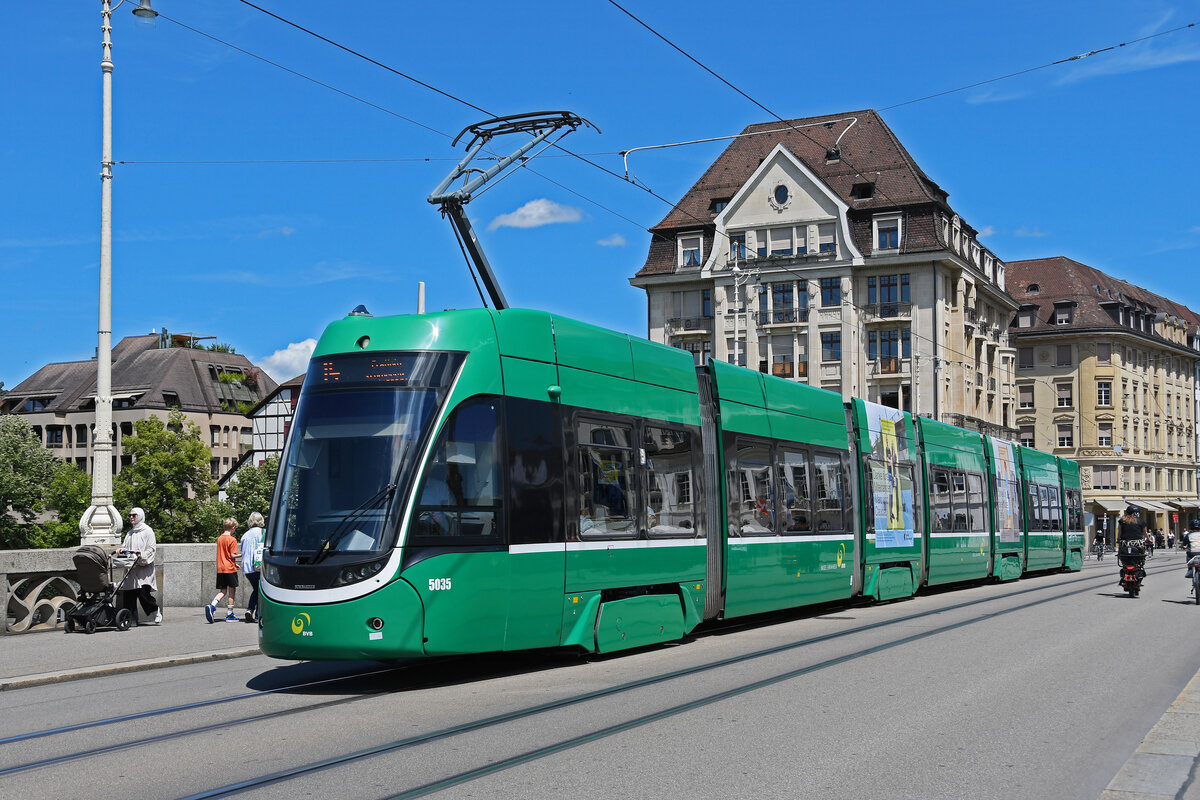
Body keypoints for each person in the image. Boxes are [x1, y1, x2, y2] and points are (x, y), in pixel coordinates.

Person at [117, 507, 161, 625]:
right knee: (129, 596)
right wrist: (122, 550)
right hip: (131, 569)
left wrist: (141, 554)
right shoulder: (130, 533)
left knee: (143, 595)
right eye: (130, 515)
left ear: (140, 516)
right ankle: (129, 620)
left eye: (134, 515)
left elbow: (151, 549)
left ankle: (155, 610)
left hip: (143, 570)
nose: (131, 517)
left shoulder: (148, 531)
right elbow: (125, 547)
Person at [204, 518, 241, 623]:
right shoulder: (232, 540)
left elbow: (225, 555)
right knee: (232, 590)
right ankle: (229, 614)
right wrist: (244, 554)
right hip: (229, 569)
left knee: (223, 591)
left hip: (221, 568)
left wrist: (234, 563)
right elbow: (232, 555)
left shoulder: (219, 538)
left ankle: (212, 605)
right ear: (233, 527)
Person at [240, 512, 265, 623]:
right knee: (260, 590)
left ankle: (250, 610)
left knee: (257, 589)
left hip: (247, 568)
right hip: (258, 566)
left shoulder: (245, 535)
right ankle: (257, 614)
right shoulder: (263, 532)